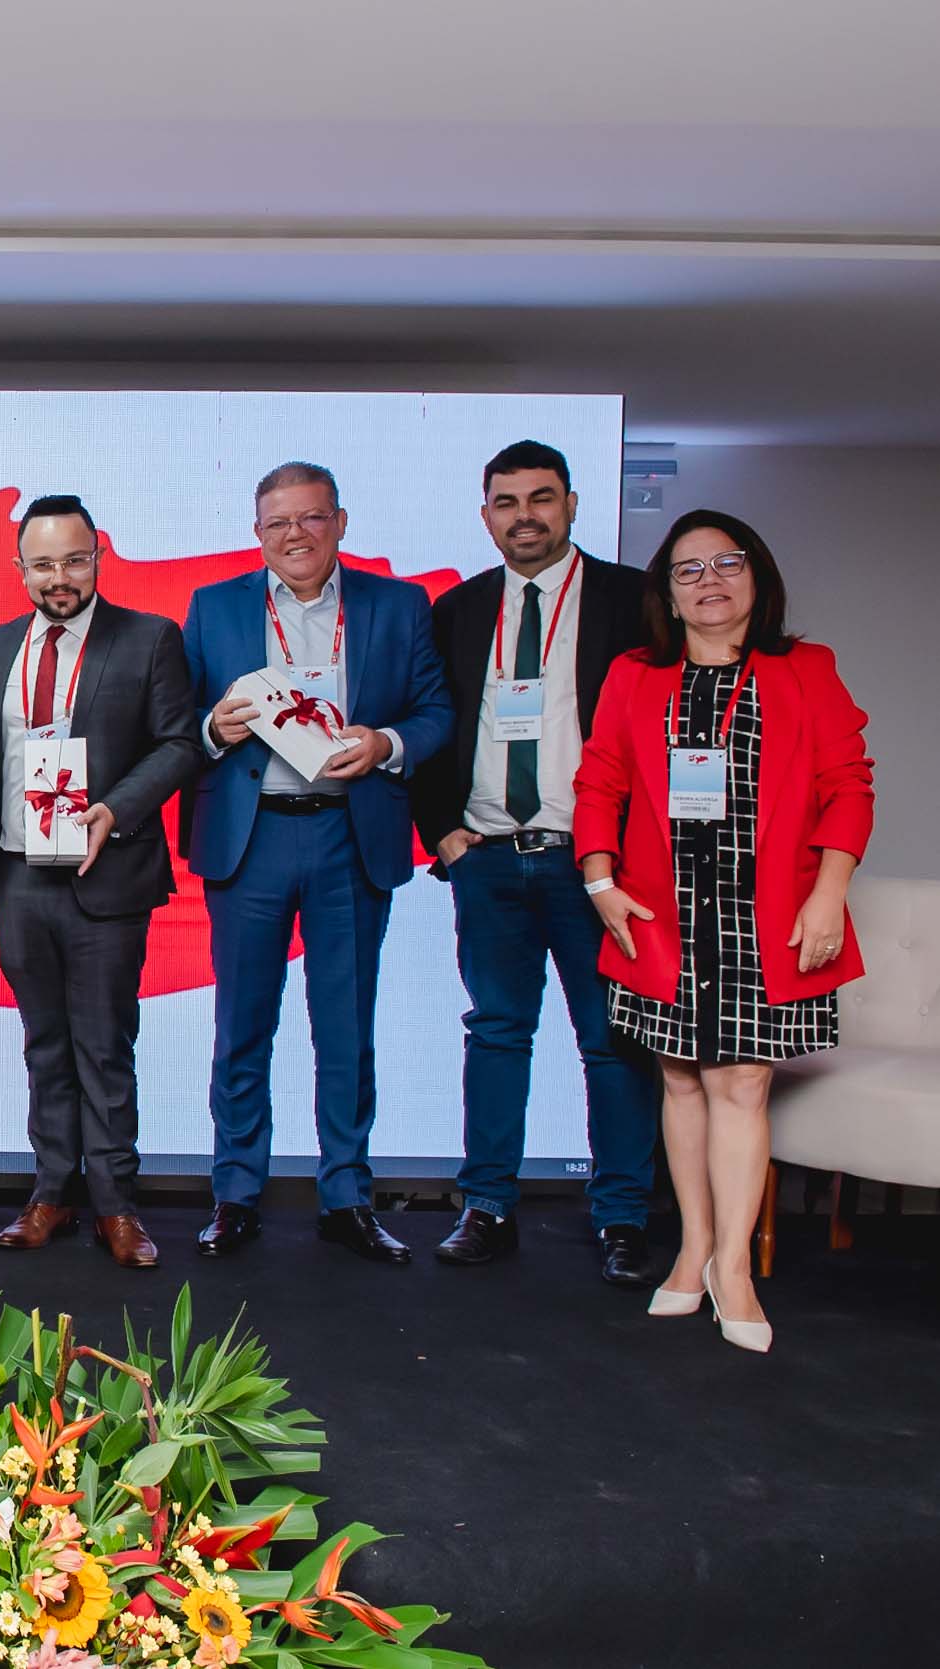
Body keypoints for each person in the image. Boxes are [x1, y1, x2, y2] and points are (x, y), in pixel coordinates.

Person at [575, 511, 872, 1353]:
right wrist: (600, 882)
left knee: (741, 1084)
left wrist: (830, 892)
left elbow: (850, 784)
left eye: (727, 563)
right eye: (688, 569)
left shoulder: (805, 668)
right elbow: (599, 780)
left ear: (757, 577)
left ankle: (733, 1268)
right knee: (678, 1082)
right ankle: (693, 1248)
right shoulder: (635, 674)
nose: (709, 580)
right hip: (661, 915)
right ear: (667, 594)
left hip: (764, 916)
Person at [184, 462, 453, 1264]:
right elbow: (175, 719)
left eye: (310, 518)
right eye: (278, 523)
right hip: (252, 837)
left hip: (349, 831)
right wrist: (213, 728)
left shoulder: (397, 605)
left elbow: (436, 710)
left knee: (346, 1027)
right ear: (257, 532)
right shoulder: (214, 606)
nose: (294, 535)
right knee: (242, 1027)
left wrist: (387, 742)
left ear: (339, 521)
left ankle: (347, 1196)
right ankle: (236, 1194)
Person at [411, 441, 660, 1283]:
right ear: (486, 515)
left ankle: (622, 1216)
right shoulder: (457, 608)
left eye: (541, 498)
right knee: (496, 1034)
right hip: (487, 860)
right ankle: (486, 1206)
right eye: (507, 502)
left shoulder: (633, 600)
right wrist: (442, 832)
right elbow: (430, 720)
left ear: (572, 505)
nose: (525, 516)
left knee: (611, 1043)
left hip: (595, 867)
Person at [0, 495, 199, 1267]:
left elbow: (179, 744)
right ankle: (50, 1192)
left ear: (99, 557)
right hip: (21, 876)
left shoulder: (148, 638)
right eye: (43, 564)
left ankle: (115, 1204)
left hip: (105, 872)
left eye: (74, 560)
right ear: (20, 569)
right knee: (44, 1045)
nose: (60, 578)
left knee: (104, 1047)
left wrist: (116, 808)